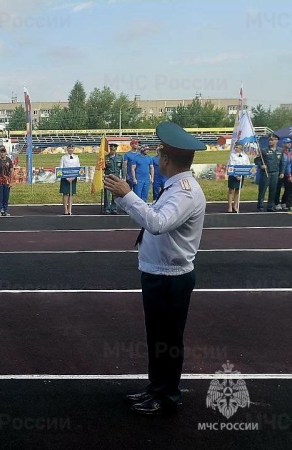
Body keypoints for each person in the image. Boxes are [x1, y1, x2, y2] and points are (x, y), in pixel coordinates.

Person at [103, 121, 206, 416]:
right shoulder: (175, 187)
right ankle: (156, 388)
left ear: (165, 159)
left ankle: (167, 395)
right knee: (158, 338)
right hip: (159, 272)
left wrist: (127, 195)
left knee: (168, 340)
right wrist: (125, 199)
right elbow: (155, 215)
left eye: (160, 155)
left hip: (170, 277)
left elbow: (157, 224)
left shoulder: (184, 191)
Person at [255, 134, 282, 212]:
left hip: (275, 173)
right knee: (262, 189)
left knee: (273, 190)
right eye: (269, 140)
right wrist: (261, 165)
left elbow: (282, 162)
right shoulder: (264, 150)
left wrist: (282, 172)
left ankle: (270, 206)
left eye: (272, 140)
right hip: (266, 173)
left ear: (276, 140)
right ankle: (260, 205)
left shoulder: (280, 150)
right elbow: (257, 160)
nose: (270, 141)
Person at [0, 146, 13, 216]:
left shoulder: (9, 160)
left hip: (6, 181)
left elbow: (11, 171)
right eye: (1, 152)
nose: (2, 154)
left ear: (6, 153)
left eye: (4, 152)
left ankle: (5, 210)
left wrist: (11, 182)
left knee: (6, 196)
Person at [103, 142, 124, 214]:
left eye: (114, 150)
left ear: (116, 149)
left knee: (115, 193)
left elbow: (122, 168)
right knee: (107, 194)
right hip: (108, 177)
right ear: (110, 149)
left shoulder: (120, 157)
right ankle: (107, 208)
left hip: (116, 177)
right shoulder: (105, 157)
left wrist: (123, 177)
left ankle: (114, 208)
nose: (113, 151)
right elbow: (102, 168)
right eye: (111, 149)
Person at [227, 144, 248, 213]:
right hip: (233, 175)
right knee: (231, 190)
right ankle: (229, 206)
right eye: (235, 147)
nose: (235, 148)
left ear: (241, 148)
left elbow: (247, 165)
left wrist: (244, 174)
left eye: (237, 147)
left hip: (241, 175)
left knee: (237, 190)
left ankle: (235, 205)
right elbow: (231, 165)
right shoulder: (232, 155)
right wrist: (236, 175)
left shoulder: (245, 156)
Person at [59, 144, 79, 215]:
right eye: (69, 148)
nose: (71, 149)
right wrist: (67, 177)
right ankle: (65, 210)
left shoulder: (76, 157)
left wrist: (74, 177)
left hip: (73, 178)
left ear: (74, 149)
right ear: (67, 149)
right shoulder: (63, 157)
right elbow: (61, 168)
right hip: (65, 178)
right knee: (65, 193)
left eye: (72, 148)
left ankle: (70, 209)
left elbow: (78, 167)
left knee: (71, 194)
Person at [278, 137, 292, 210]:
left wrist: (289, 174)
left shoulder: (291, 152)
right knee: (277, 189)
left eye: (290, 142)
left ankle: (284, 202)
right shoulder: (280, 152)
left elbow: (290, 164)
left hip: (288, 173)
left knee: (288, 189)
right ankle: (276, 203)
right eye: (287, 143)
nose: (289, 144)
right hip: (279, 172)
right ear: (283, 144)